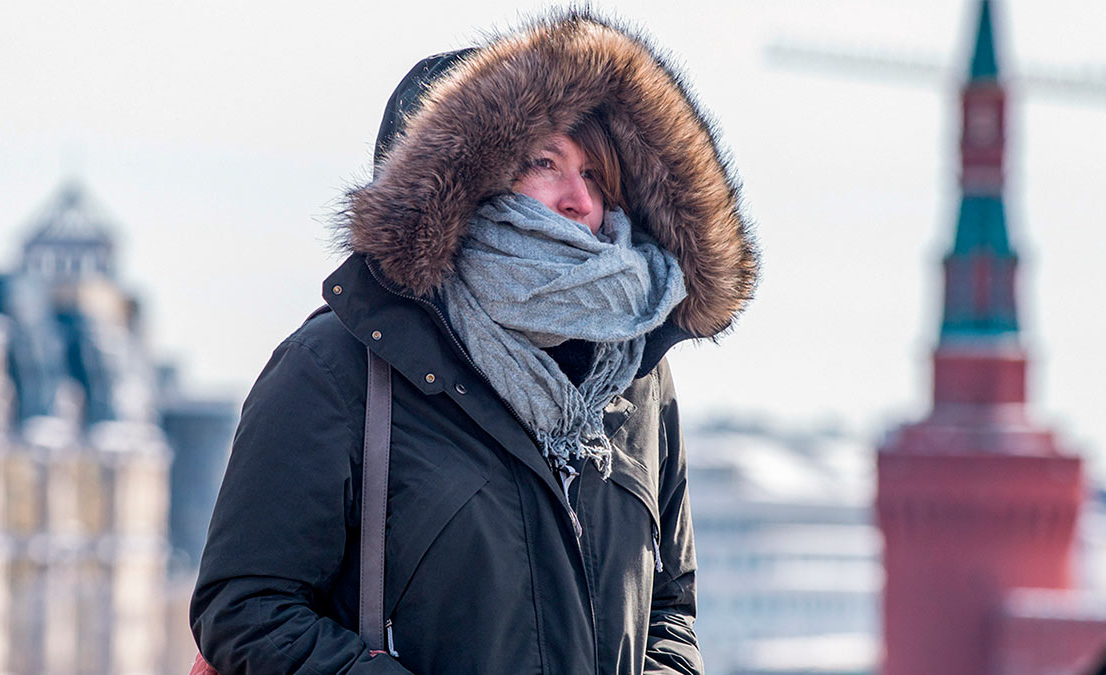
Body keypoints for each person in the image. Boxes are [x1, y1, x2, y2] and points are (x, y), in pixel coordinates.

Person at [191, 10, 758, 675]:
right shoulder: (339, 367)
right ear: (461, 184)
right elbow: (247, 606)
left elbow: (670, 607)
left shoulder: (635, 374)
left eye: (596, 174)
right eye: (544, 163)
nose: (579, 200)